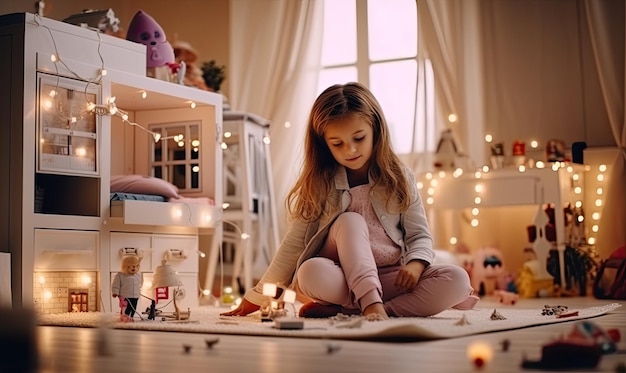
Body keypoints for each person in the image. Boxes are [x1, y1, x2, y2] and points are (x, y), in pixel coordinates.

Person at [222, 82, 479, 320]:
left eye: (359, 138)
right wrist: (256, 298)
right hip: (340, 275)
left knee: (457, 279)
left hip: (390, 277)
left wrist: (415, 264)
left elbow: (420, 235)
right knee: (312, 268)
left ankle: (364, 308)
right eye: (338, 143)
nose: (351, 150)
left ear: (376, 130)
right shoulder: (320, 183)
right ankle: (368, 302)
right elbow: (293, 245)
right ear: (325, 144)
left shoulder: (400, 177)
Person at [112, 254, 143, 322]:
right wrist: (115, 292)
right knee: (125, 307)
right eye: (131, 266)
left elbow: (140, 283)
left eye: (136, 266)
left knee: (133, 308)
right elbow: (116, 285)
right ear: (125, 266)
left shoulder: (138, 275)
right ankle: (124, 316)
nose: (134, 268)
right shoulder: (120, 275)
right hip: (125, 296)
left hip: (135, 296)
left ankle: (131, 316)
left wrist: (139, 290)